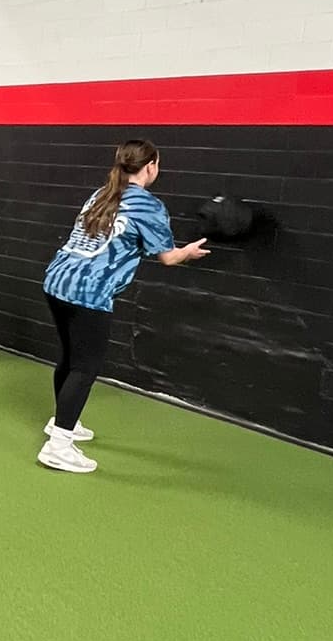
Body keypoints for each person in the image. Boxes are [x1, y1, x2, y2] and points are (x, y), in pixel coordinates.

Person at [38, 139, 208, 473]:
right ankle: (58, 446)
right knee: (84, 367)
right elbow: (168, 257)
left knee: (70, 359)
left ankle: (62, 421)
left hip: (56, 281)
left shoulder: (101, 194)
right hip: (88, 293)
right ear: (151, 166)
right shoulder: (148, 206)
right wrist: (188, 252)